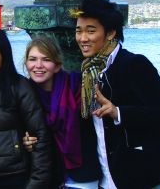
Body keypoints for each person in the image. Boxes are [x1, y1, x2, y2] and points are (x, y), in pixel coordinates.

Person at [72, 0, 160, 189]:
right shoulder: (87, 73)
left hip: (145, 177)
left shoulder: (134, 64)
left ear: (111, 32)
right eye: (79, 31)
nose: (83, 38)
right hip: (107, 178)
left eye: (91, 31)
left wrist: (118, 112)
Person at [0, 26, 52, 189]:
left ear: (4, 57)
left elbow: (40, 137)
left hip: (15, 178)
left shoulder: (20, 87)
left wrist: (36, 184)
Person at [22, 35, 101, 189]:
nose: (38, 65)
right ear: (26, 63)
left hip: (84, 175)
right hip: (47, 176)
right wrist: (23, 139)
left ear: (57, 65)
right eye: (32, 59)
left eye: (46, 59)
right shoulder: (24, 95)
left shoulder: (78, 86)